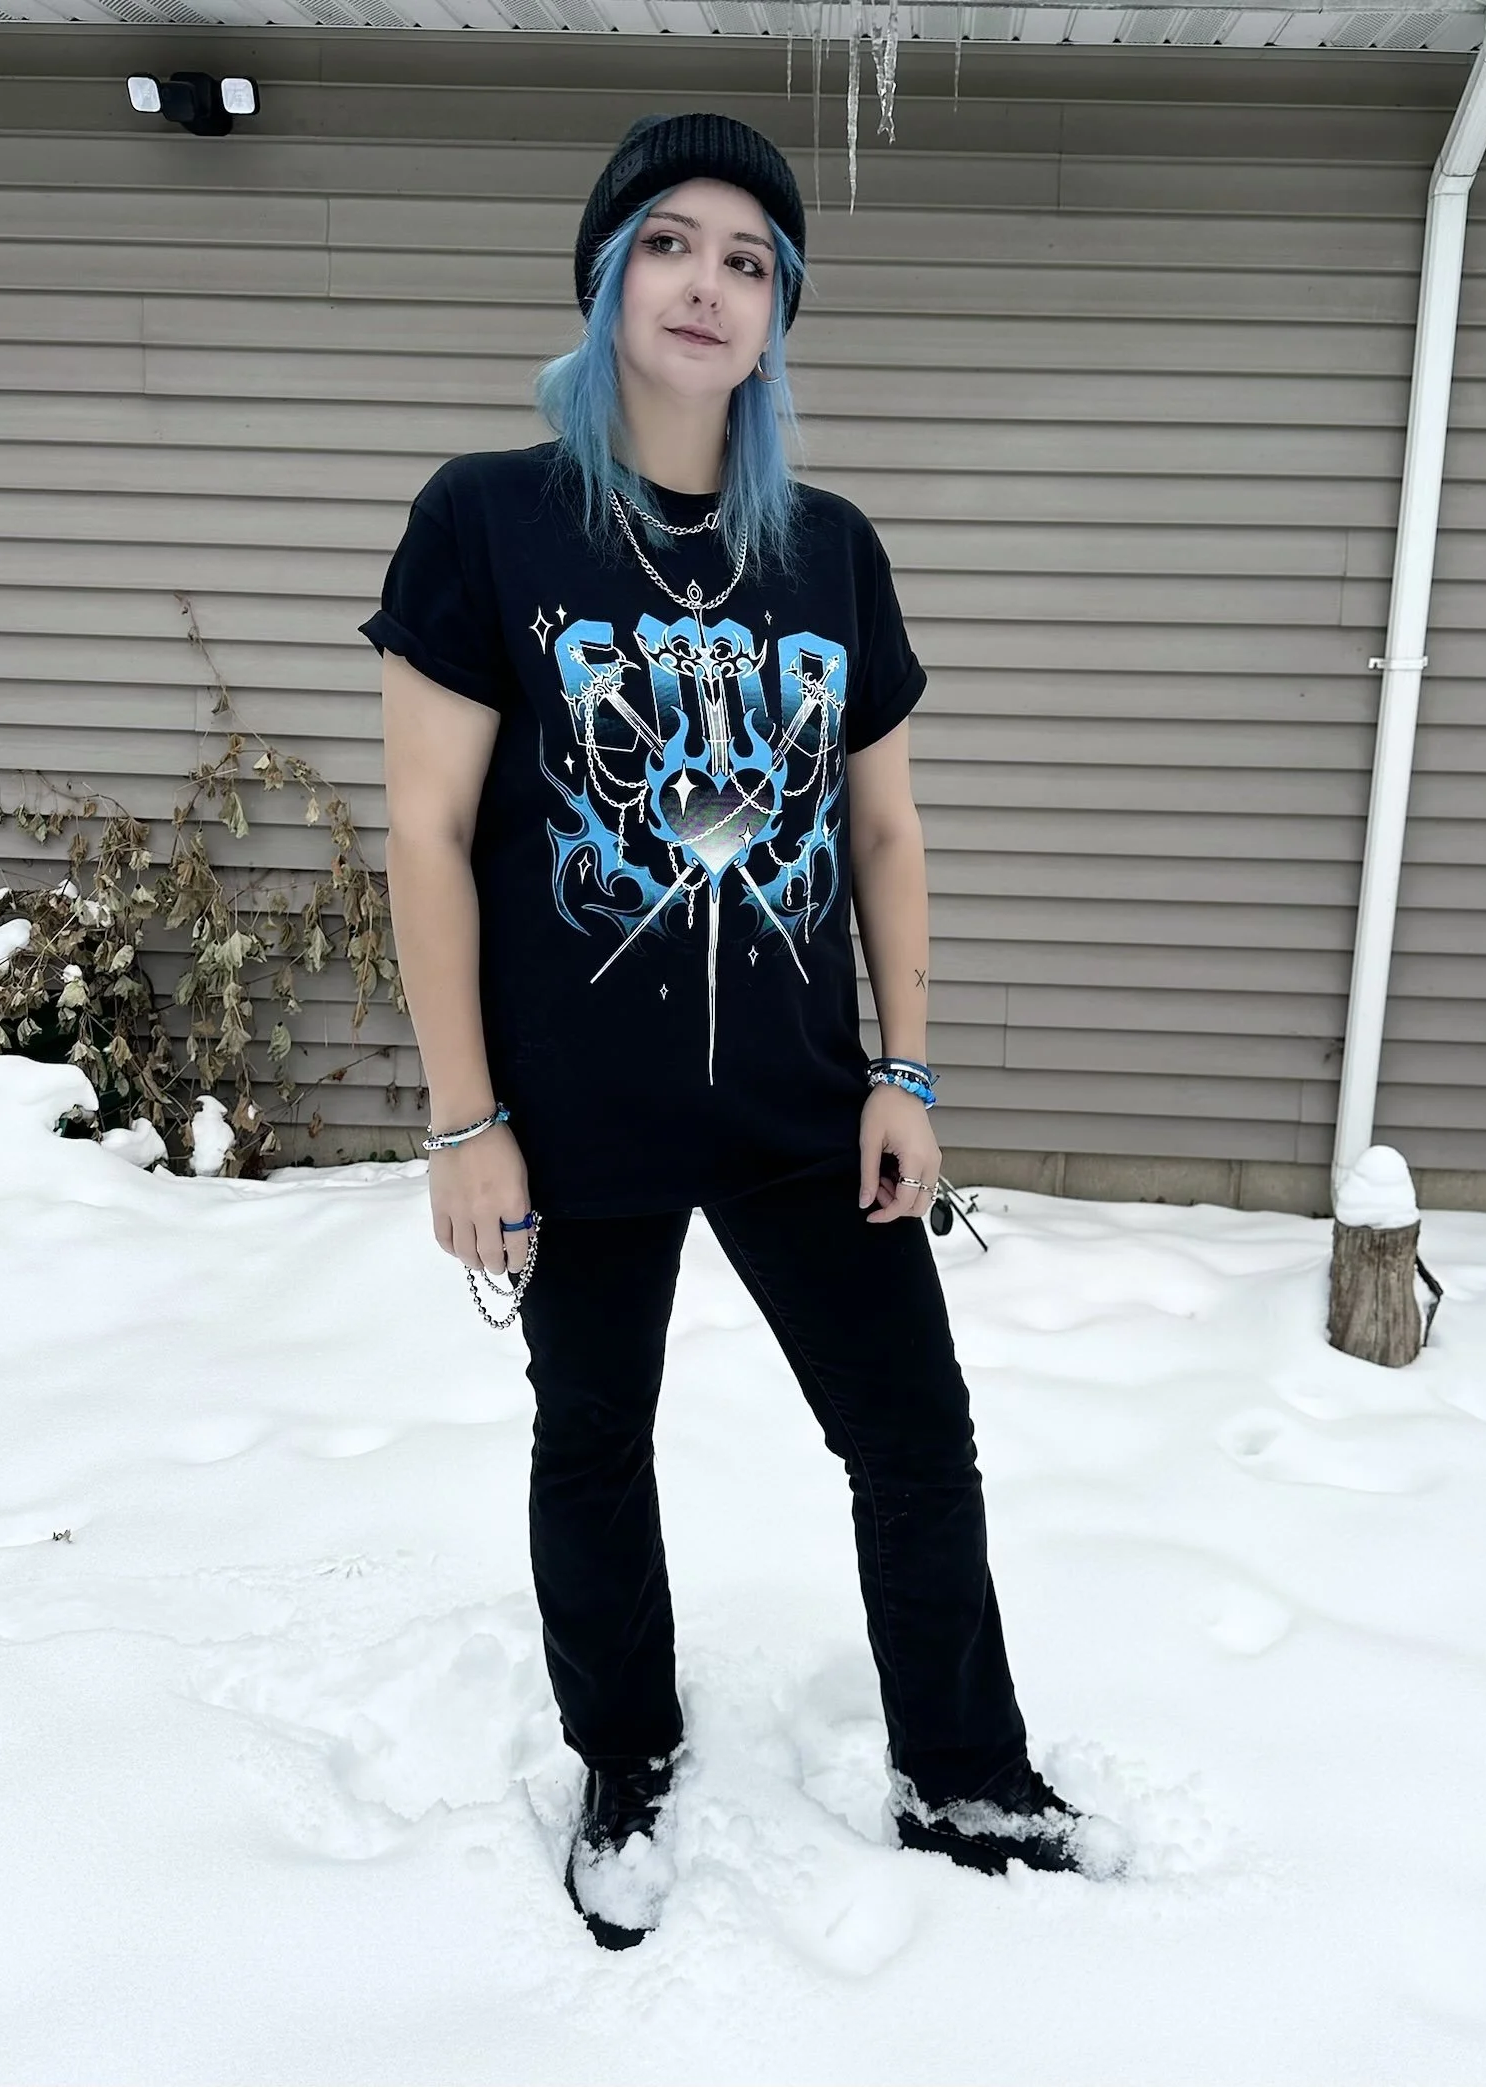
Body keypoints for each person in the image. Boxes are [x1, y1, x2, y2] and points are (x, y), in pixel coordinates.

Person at [360, 110, 1129, 1951]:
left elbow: (885, 833)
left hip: (800, 1103)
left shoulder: (829, 551)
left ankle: (963, 1768)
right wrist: (466, 1117)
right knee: (592, 1439)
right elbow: (426, 833)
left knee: (915, 1434)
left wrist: (905, 1074)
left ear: (780, 313)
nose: (708, 285)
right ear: (606, 275)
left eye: (750, 261)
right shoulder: (489, 519)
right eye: (671, 243)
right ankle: (623, 1758)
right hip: (576, 1112)